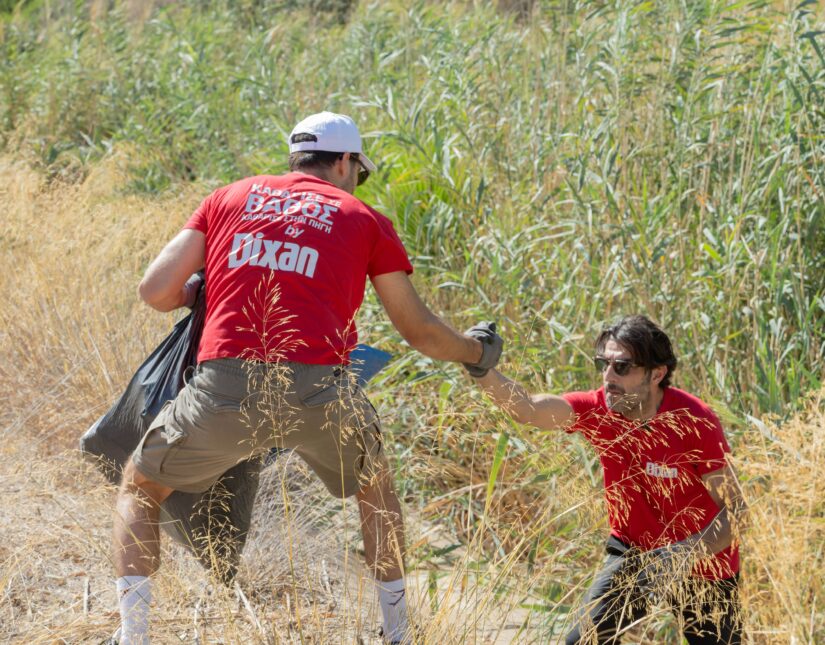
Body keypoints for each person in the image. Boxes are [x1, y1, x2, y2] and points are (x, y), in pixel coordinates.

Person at [111, 111, 503, 645]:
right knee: (375, 489)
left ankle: (133, 636)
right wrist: (477, 351)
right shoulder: (363, 218)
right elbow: (421, 333)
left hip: (223, 388)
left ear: (297, 158)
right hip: (322, 392)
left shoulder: (228, 198)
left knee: (140, 487)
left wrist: (193, 292)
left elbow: (154, 291)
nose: (356, 180)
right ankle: (398, 635)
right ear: (344, 162)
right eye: (359, 171)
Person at [465, 316, 745, 644]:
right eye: (604, 364)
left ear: (657, 373)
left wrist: (683, 554)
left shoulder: (695, 421)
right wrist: (482, 368)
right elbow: (528, 409)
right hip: (633, 551)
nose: (608, 376)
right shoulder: (599, 409)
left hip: (703, 562)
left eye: (622, 367)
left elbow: (737, 512)